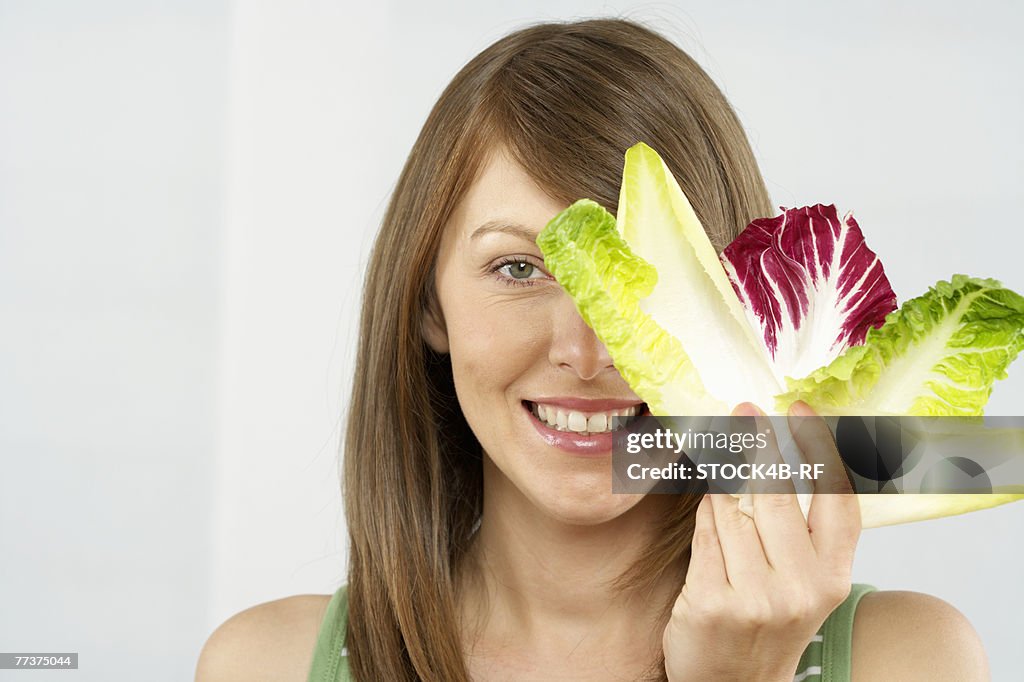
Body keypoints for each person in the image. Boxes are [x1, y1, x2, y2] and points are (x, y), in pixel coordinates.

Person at [196, 18, 990, 681]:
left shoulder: (910, 658)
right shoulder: (263, 663)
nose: (586, 350)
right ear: (428, 304)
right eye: (517, 269)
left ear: (743, 312)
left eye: (639, 284)